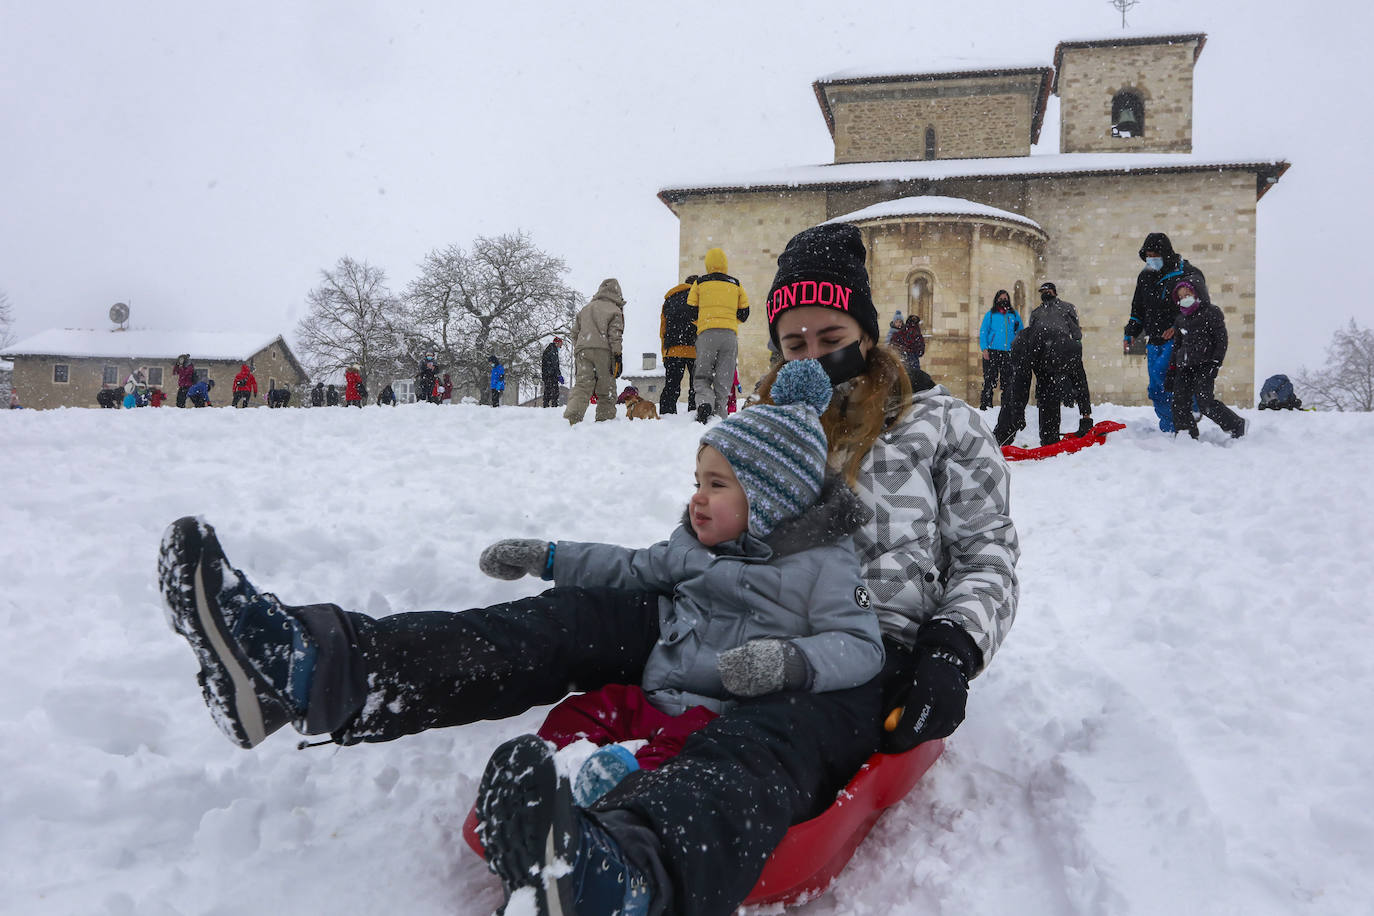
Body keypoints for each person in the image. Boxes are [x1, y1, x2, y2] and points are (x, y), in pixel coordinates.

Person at [154, 221, 1014, 916]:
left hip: (854, 647)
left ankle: (626, 875)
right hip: (719, 600)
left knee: (762, 741)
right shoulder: (771, 422)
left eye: (832, 336)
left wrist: (951, 646)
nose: (813, 355)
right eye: (794, 342)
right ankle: (313, 670)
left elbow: (988, 557)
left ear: (868, 330)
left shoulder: (942, 426)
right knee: (563, 619)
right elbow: (715, 515)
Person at [478, 359, 884, 816]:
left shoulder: (822, 567)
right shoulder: (691, 549)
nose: (697, 497)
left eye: (716, 484)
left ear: (770, 498)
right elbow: (628, 567)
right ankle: (545, 775)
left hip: (719, 718)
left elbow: (860, 644)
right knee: (588, 709)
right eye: (698, 482)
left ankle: (615, 805)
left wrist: (790, 661)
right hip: (655, 698)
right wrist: (549, 557)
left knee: (676, 763)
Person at [1123, 232, 1208, 432]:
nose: (1151, 258)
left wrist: (1178, 326)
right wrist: (1132, 331)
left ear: (1166, 253)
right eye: (1148, 254)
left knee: (1169, 379)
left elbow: (1200, 308)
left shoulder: (1186, 273)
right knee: (1155, 388)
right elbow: (1138, 309)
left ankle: (1191, 411)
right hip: (1154, 340)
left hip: (1178, 339)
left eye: (1155, 254)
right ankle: (1170, 427)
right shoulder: (1145, 276)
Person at [992, 282, 1093, 446]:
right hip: (1028, 348)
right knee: (1014, 393)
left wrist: (1086, 415)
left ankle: (1049, 438)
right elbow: (1020, 384)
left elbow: (1080, 383)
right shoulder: (1030, 340)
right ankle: (1002, 438)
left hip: (1050, 351)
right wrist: (1018, 415)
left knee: (1049, 392)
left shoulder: (1071, 350)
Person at [1167, 280, 1246, 439]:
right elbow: (1177, 346)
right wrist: (1172, 369)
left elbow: (1221, 340)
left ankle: (1235, 424)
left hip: (1205, 364)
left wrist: (1216, 363)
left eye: (1187, 295)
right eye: (1181, 297)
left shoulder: (1211, 312)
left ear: (1196, 294)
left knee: (1205, 402)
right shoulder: (1180, 319)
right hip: (1184, 366)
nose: (1185, 298)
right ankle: (1186, 434)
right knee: (1179, 401)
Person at [688, 248, 750, 423]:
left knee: (701, 376)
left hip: (706, 334)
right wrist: (729, 322)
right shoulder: (736, 284)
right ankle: (720, 416)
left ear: (708, 264)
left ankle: (704, 403)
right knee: (724, 378)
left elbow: (691, 312)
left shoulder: (699, 283)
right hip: (729, 336)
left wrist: (704, 323)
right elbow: (744, 313)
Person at [564, 278, 625, 425]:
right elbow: (615, 334)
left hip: (583, 350)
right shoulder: (615, 310)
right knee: (607, 388)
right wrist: (617, 355)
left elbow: (574, 333)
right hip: (604, 351)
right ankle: (605, 420)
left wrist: (580, 346)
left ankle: (572, 418)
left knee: (583, 386)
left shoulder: (586, 309)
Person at [658, 277, 698, 415]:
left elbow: (663, 329)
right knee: (697, 386)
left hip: (673, 350)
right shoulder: (698, 297)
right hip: (695, 349)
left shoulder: (670, 299)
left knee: (671, 386)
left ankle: (667, 416)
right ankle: (696, 414)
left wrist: (665, 352)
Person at [978, 290, 1023, 409]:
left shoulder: (1014, 315)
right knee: (989, 379)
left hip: (1009, 352)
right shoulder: (991, 314)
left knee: (1008, 382)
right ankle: (986, 405)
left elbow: (1020, 332)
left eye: (1005, 298)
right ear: (996, 300)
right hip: (992, 351)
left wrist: (1018, 348)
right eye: (1001, 298)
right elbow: (983, 332)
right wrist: (984, 348)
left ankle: (1006, 407)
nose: (1003, 301)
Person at [889, 314, 926, 381]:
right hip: (913, 360)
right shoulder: (917, 333)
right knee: (914, 380)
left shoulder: (900, 333)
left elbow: (892, 345)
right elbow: (921, 351)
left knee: (902, 379)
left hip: (902, 359)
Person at [541, 337, 564, 408]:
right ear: (556, 343)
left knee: (548, 391)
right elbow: (555, 365)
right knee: (554, 392)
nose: (561, 346)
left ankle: (546, 405)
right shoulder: (553, 350)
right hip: (551, 375)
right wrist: (559, 375)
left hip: (547, 374)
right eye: (560, 344)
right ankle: (554, 407)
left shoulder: (549, 349)